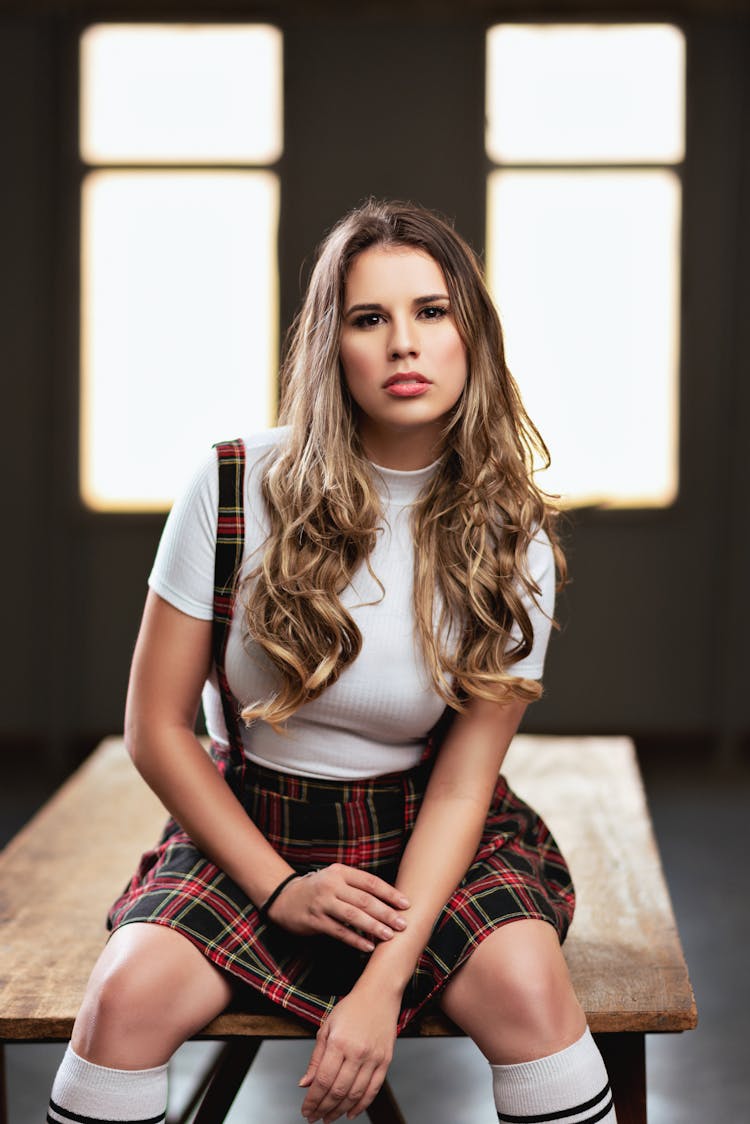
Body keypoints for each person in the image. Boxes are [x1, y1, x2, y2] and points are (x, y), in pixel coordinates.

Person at [47, 200, 616, 1124]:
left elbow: (466, 786)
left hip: (426, 832)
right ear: (331, 343)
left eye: (432, 312)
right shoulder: (232, 487)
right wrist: (278, 886)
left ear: (473, 335)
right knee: (123, 999)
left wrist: (380, 987)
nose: (404, 344)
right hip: (251, 825)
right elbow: (154, 731)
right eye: (369, 318)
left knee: (528, 989)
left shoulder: (516, 542)